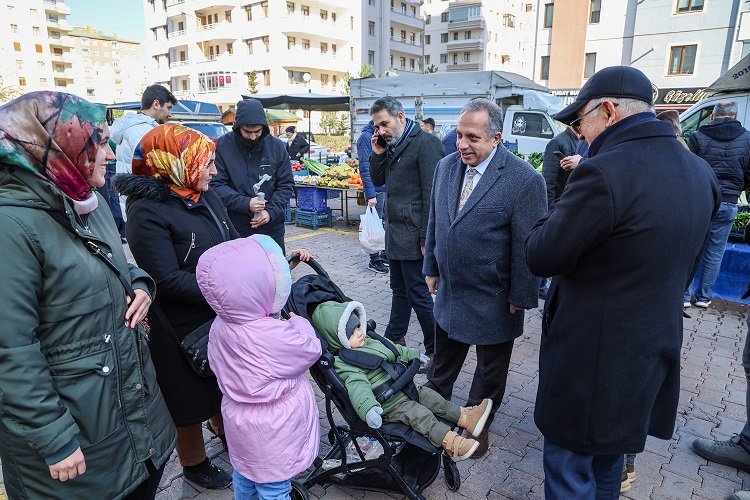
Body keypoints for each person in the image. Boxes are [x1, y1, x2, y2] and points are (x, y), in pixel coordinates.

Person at [525, 65, 720, 499]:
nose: (580, 135)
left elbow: (542, 254)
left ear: (609, 110)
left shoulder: (601, 172)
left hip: (590, 360)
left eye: (581, 123)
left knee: (570, 470)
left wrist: (554, 207)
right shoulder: (699, 172)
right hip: (649, 352)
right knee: (609, 463)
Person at [0, 91, 176, 499]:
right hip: (75, 442)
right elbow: (10, 349)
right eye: (98, 141)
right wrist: (54, 437)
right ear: (59, 145)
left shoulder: (84, 201)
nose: (111, 153)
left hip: (130, 420)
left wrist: (139, 284)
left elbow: (117, 265)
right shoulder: (11, 225)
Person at [423, 98, 546, 457]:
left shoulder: (524, 180)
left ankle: (477, 433)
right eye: (460, 135)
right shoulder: (446, 167)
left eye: (473, 138)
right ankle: (430, 422)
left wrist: (521, 296)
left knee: (489, 375)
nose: (463, 144)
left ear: (496, 136)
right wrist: (431, 266)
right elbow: (436, 221)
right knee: (440, 367)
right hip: (451, 291)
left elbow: (528, 245)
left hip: (496, 297)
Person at [114, 123, 235, 490]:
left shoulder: (203, 194)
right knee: (187, 395)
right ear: (175, 164)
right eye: (206, 164)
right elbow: (164, 279)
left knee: (223, 380)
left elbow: (232, 237)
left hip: (217, 309)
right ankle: (195, 462)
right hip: (176, 322)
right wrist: (225, 289)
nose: (213, 172)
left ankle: (224, 429)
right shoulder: (146, 211)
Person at [196, 236, 321, 499]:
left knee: (244, 473)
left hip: (238, 419)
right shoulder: (271, 334)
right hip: (274, 428)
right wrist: (299, 323)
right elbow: (309, 349)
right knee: (274, 487)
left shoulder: (220, 326)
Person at [311, 300, 493, 461]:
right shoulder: (346, 362)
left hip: (403, 387)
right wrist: (369, 409)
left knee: (433, 398)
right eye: (351, 332)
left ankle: (468, 418)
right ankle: (452, 444)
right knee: (421, 415)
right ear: (339, 338)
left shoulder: (369, 342)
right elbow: (358, 387)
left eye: (358, 326)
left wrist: (414, 354)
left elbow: (395, 350)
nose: (359, 333)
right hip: (390, 404)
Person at [369, 96, 444, 372]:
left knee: (418, 293)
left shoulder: (426, 143)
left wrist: (427, 238)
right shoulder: (390, 144)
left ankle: (437, 350)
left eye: (385, 123)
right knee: (399, 289)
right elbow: (378, 180)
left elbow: (432, 195)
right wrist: (376, 153)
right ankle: (395, 337)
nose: (381, 130)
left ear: (400, 117)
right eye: (377, 126)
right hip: (396, 231)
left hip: (415, 234)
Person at [683, 101, 750, 309]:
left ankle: (684, 296)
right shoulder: (747, 138)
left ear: (712, 116)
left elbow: (689, 169)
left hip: (702, 199)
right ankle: (703, 297)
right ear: (735, 115)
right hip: (729, 201)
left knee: (692, 247)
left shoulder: (697, 136)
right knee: (716, 251)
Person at [213, 98, 294, 252]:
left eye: (257, 131)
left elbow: (286, 185)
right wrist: (245, 203)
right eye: (247, 132)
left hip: (271, 228)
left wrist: (269, 212)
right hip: (237, 227)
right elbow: (217, 184)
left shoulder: (276, 146)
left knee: (274, 271)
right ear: (237, 127)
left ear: (264, 127)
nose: (253, 136)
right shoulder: (224, 146)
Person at [111, 84, 177, 238]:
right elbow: (155, 170)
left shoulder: (131, 127)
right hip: (146, 204)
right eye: (168, 108)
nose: (170, 114)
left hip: (133, 202)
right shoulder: (143, 131)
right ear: (156, 104)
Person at [358, 119, 388, 273]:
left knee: (383, 224)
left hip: (385, 187)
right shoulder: (365, 137)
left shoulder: (381, 135)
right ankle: (374, 260)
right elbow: (364, 167)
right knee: (375, 224)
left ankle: (383, 254)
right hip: (375, 189)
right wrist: (370, 194)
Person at [541, 125, 579, 209]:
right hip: (560, 205)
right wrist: (549, 212)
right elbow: (548, 182)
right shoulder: (556, 142)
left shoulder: (583, 141)